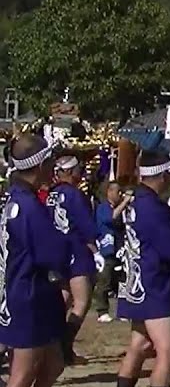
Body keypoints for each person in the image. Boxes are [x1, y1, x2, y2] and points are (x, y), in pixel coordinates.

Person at [108, 149, 170, 387]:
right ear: (163, 175)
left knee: (140, 345)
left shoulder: (135, 201)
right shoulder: (153, 207)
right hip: (155, 284)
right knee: (167, 349)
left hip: (137, 281)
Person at [0, 134, 70, 387]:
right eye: (50, 161)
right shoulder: (27, 206)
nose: (54, 167)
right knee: (22, 373)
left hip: (33, 292)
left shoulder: (18, 199)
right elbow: (50, 253)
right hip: (27, 294)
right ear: (39, 164)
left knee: (53, 362)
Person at [47, 155, 97, 366]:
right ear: (69, 172)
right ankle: (64, 348)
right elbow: (87, 226)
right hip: (76, 251)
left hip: (56, 252)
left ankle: (53, 346)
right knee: (82, 302)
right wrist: (94, 247)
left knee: (63, 302)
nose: (81, 172)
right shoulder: (74, 195)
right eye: (78, 169)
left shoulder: (51, 195)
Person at [92, 181, 130, 323]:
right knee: (104, 281)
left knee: (122, 282)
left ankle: (124, 311)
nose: (120, 194)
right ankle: (102, 311)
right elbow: (111, 217)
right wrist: (125, 202)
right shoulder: (103, 208)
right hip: (106, 250)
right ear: (109, 192)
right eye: (117, 191)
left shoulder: (122, 209)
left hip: (120, 250)